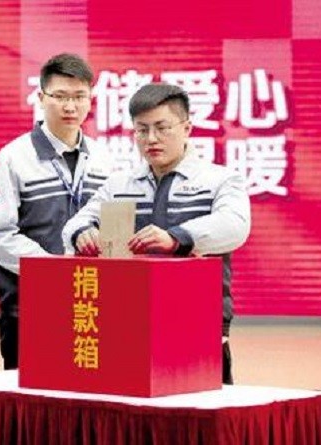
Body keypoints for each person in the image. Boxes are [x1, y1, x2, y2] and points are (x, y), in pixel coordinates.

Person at [62, 83, 251, 384]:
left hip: (199, 321)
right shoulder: (119, 185)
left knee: (199, 405)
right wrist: (82, 233)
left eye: (162, 128)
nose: (151, 139)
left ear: (187, 128)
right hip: (126, 324)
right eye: (142, 130)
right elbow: (76, 223)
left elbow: (234, 226)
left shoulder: (220, 180)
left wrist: (176, 238)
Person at [0, 53, 115, 370]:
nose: (70, 106)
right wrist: (52, 270)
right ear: (41, 98)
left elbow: (112, 222)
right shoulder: (12, 159)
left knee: (86, 390)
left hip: (90, 304)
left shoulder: (104, 158)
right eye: (60, 96)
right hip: (28, 305)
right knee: (31, 394)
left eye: (79, 96)